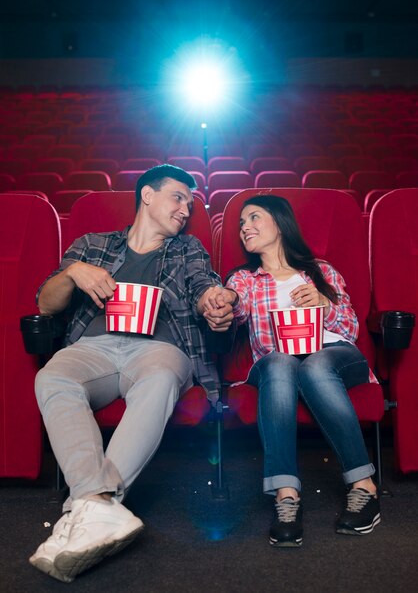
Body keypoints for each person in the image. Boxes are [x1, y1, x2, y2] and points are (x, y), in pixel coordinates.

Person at [30, 164, 235, 582]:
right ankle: (99, 507)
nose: (185, 210)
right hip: (95, 347)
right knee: (52, 376)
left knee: (159, 379)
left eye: (191, 204)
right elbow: (46, 305)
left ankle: (87, 507)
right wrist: (72, 273)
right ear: (147, 195)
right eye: (178, 197)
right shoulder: (93, 245)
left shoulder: (186, 249)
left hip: (161, 349)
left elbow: (203, 287)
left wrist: (214, 300)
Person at [224, 194, 380, 548]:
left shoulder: (320, 271)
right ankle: (286, 495)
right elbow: (235, 310)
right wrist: (222, 301)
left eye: (253, 218)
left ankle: (363, 485)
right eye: (240, 224)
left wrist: (325, 304)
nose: (245, 228)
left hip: (336, 355)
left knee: (315, 363)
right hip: (279, 362)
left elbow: (351, 328)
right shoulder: (246, 281)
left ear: (279, 223)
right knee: (280, 361)